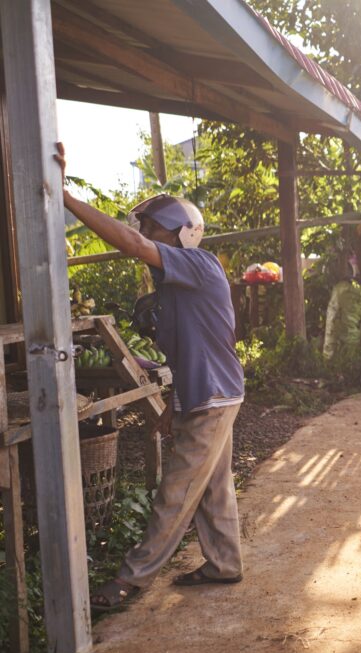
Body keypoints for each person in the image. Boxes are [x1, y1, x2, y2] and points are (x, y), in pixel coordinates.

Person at [55, 144, 246, 611]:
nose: (145, 234)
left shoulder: (197, 264)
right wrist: (171, 406)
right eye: (144, 226)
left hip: (213, 397)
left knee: (176, 492)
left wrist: (64, 197)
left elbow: (135, 246)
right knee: (214, 487)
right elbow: (190, 348)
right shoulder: (175, 284)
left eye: (152, 226)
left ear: (181, 234)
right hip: (211, 392)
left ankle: (129, 582)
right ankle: (224, 564)